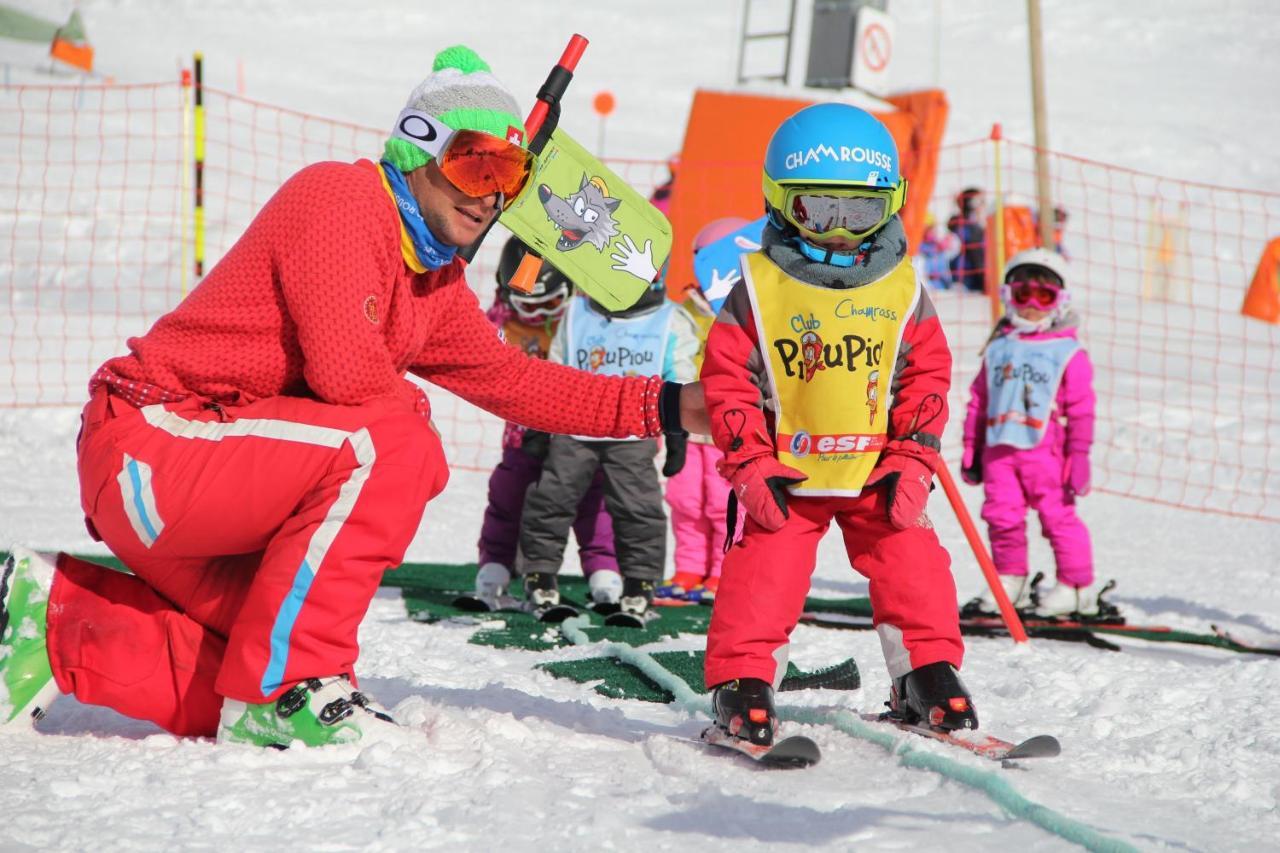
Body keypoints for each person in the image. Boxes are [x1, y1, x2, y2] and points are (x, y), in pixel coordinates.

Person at [0, 45, 703, 744]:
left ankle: (53, 621)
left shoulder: (433, 279)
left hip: (217, 481)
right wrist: (415, 413)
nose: (490, 193)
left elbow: (517, 381)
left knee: (249, 653)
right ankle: (292, 680)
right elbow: (346, 375)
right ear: (416, 149)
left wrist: (674, 406)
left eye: (510, 175)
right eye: (473, 162)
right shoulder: (341, 197)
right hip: (151, 444)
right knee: (395, 447)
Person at [699, 103, 974, 748]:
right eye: (820, 211)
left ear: (893, 205)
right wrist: (748, 459)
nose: (842, 233)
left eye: (861, 213)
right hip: (786, 473)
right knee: (762, 573)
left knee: (914, 564)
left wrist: (913, 455)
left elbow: (925, 375)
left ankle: (929, 675)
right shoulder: (760, 286)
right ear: (780, 202)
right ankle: (743, 682)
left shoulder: (902, 288)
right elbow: (727, 376)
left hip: (876, 469)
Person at [515, 277, 700, 623]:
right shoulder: (578, 312)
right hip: (574, 426)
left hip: (634, 429)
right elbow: (555, 369)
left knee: (637, 507)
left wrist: (678, 433)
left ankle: (640, 584)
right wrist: (539, 424)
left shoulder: (668, 318)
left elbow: (681, 374)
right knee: (549, 498)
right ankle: (539, 574)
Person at [472, 237, 623, 607]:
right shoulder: (503, 322)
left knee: (592, 500)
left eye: (551, 303)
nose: (539, 315)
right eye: (529, 304)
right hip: (524, 435)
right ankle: (496, 564)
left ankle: (604, 568)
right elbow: (476, 336)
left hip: (577, 435)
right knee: (509, 495)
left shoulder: (582, 321)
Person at [959, 248, 1100, 619]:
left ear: (1060, 301)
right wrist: (971, 447)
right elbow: (979, 399)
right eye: (1023, 295)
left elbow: (1082, 409)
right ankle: (1010, 579)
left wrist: (1080, 456)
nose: (1033, 305)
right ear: (1008, 295)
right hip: (999, 452)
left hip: (1046, 454)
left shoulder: (1068, 352)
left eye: (1045, 296)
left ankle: (1076, 585)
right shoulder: (999, 346)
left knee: (1058, 518)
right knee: (1001, 516)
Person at [657, 217, 750, 603]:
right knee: (684, 498)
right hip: (692, 422)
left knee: (720, 499)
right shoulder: (688, 312)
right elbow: (674, 356)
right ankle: (690, 567)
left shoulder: (753, 310)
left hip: (731, 423)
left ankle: (723, 568)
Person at [947, 187, 987, 293]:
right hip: (969, 285)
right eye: (981, 202)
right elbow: (976, 258)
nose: (984, 206)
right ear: (971, 205)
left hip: (972, 283)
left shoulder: (975, 227)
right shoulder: (967, 229)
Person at [915, 211, 960, 291]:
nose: (931, 231)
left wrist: (945, 243)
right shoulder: (919, 247)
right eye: (928, 229)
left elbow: (955, 247)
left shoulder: (940, 243)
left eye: (932, 228)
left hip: (943, 283)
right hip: (929, 285)